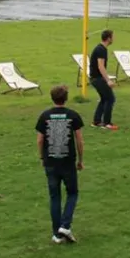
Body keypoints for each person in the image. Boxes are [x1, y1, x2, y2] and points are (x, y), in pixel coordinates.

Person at [36, 85, 85, 244]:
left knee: (54, 196)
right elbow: (79, 140)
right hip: (67, 161)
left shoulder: (44, 116)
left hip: (50, 162)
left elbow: (40, 139)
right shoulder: (73, 115)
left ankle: (56, 234)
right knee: (72, 193)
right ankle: (65, 225)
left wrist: (42, 157)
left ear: (52, 98)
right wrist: (80, 160)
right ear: (66, 98)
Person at [89, 29, 118, 130]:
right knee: (110, 99)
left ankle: (96, 121)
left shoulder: (102, 48)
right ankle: (107, 123)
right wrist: (108, 80)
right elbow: (100, 66)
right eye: (113, 37)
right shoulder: (101, 49)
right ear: (109, 38)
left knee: (104, 99)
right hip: (97, 78)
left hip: (95, 78)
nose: (114, 39)